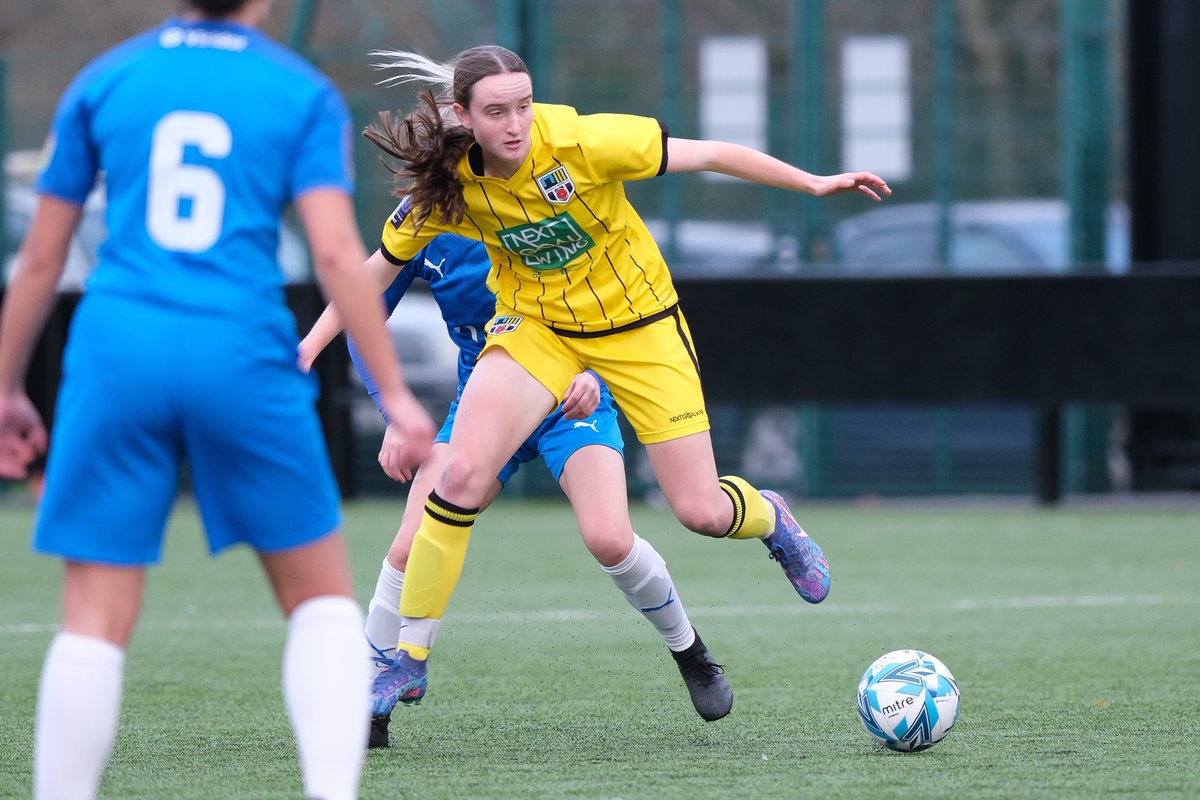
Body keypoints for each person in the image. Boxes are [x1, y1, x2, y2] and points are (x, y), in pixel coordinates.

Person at [356, 44, 891, 723]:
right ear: (463, 116)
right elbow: (374, 273)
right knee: (457, 477)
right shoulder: (452, 181)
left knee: (700, 510)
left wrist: (813, 183)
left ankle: (769, 515)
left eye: (523, 105)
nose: (516, 124)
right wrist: (302, 341)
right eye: (497, 112)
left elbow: (712, 154)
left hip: (639, 329)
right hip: (538, 329)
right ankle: (407, 658)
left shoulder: (583, 142)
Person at [0, 2, 435, 798]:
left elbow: (40, 259)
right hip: (239, 351)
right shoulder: (298, 92)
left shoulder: (106, 79)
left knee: (93, 618)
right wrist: (399, 396)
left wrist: (4, 387)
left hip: (118, 349)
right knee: (318, 601)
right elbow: (339, 253)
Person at [298, 205, 734, 748]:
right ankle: (370, 702)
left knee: (609, 538)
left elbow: (617, 299)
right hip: (483, 407)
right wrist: (393, 413)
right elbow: (362, 311)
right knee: (409, 545)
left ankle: (690, 652)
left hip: (568, 402)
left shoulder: (537, 200)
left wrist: (595, 374)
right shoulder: (421, 218)